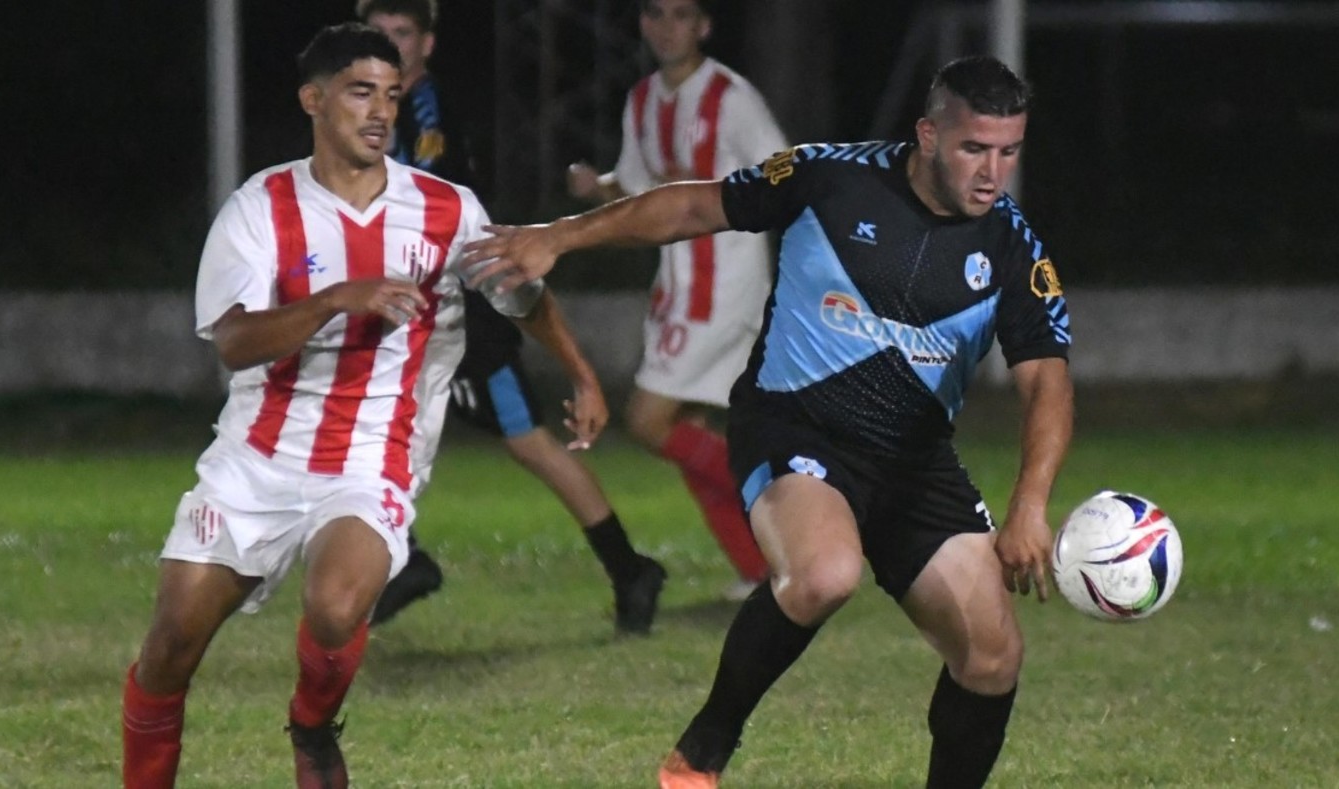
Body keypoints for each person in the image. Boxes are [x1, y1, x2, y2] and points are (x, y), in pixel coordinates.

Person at [465, 55, 1075, 788]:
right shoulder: (830, 178)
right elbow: (693, 206)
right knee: (823, 573)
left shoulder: (1010, 246)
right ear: (926, 134)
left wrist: (1030, 504)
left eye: (1008, 151)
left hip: (913, 461)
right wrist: (559, 235)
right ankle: (704, 747)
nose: (991, 171)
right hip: (796, 426)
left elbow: (1046, 382)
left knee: (991, 657)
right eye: (974, 147)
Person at [119, 24, 600, 788]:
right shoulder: (260, 208)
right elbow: (236, 341)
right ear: (314, 100)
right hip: (256, 457)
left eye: (391, 94)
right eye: (358, 92)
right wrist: (339, 297)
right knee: (171, 646)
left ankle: (311, 729)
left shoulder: (445, 209)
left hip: (372, 455)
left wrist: (580, 371)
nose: (379, 111)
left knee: (338, 605)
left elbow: (522, 293)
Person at [357, 0, 668, 633]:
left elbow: (424, 193)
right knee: (370, 428)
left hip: (466, 317)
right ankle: (403, 557)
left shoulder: (424, 111)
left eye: (402, 33)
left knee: (531, 445)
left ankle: (629, 567)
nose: (390, 45)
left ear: (427, 42)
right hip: (413, 312)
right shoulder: (376, 111)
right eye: (378, 34)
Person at [565, 0, 789, 600]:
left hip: (726, 283)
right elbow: (639, 191)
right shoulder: (642, 100)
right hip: (678, 282)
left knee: (647, 419)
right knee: (688, 429)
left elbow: (784, 174)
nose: (668, 27)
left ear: (705, 25)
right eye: (656, 14)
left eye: (682, 15)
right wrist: (600, 188)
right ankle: (760, 570)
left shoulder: (731, 98)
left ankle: (788, 515)